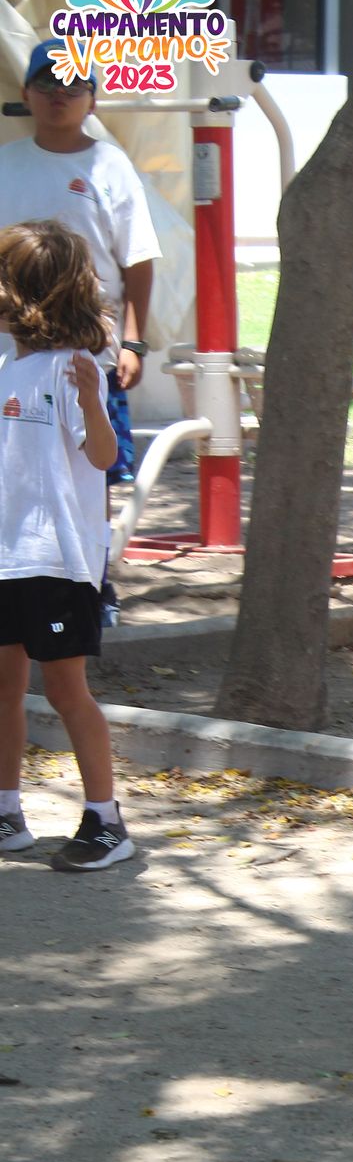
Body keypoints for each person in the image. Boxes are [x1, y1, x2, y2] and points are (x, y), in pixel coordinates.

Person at [0, 39, 162, 617]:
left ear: (92, 98)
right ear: (26, 94)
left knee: (94, 469)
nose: (58, 96)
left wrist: (134, 341)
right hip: (12, 351)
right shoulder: (7, 163)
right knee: (14, 463)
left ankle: (93, 583)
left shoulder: (110, 165)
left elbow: (138, 259)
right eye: (47, 84)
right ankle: (16, 574)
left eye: (72, 86)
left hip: (88, 351)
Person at [0, 219, 134, 871]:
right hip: (6, 559)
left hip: (57, 561)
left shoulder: (74, 369)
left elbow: (103, 457)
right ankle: (7, 813)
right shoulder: (7, 366)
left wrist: (92, 402)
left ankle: (106, 822)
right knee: (4, 689)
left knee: (65, 690)